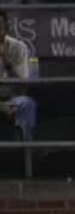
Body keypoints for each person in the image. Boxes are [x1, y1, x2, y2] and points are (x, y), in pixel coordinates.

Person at [0, 10, 36, 142]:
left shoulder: (18, 47)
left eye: (0, 27)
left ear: (7, 28)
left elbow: (25, 83)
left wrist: (8, 63)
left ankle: (27, 153)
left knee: (27, 104)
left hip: (11, 99)